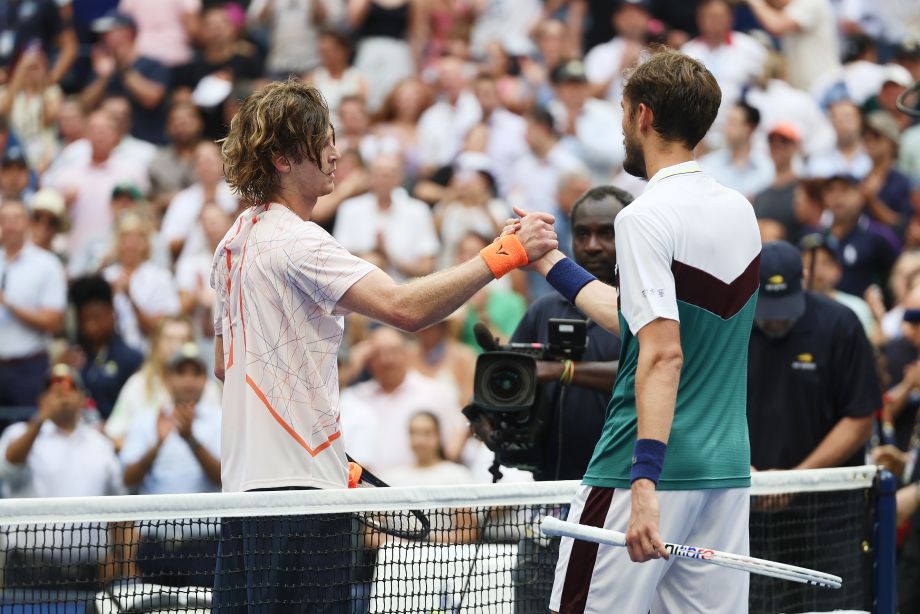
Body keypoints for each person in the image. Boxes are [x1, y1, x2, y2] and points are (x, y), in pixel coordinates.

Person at [209, 79, 555, 611]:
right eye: (321, 140)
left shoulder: (231, 243)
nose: (335, 153)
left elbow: (221, 366)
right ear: (281, 158)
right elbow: (404, 308)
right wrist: (504, 254)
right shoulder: (298, 240)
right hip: (301, 499)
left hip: (244, 496)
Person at [512, 49, 760, 613]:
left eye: (624, 113)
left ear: (642, 116)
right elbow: (639, 316)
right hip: (721, 474)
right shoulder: (738, 210)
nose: (623, 126)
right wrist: (550, 262)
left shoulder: (644, 216)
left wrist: (644, 482)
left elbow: (662, 354)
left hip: (640, 472)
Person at [508, 185, 628, 613]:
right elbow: (512, 385)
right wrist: (494, 423)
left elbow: (648, 373)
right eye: (582, 233)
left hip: (624, 508)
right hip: (551, 510)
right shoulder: (542, 312)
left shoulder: (644, 309)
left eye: (606, 233)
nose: (592, 245)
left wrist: (564, 372)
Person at [747, 240, 879, 612]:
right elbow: (702, 406)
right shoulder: (729, 325)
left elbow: (860, 419)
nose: (775, 319)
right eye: (767, 309)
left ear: (803, 280)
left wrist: (798, 478)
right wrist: (744, 469)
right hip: (747, 509)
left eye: (784, 308)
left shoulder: (840, 324)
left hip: (829, 512)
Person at [0, 364, 122, 498]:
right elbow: (7, 469)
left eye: (71, 387)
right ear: (42, 400)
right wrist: (40, 420)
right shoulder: (17, 432)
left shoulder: (99, 441)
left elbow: (119, 494)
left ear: (82, 399)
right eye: (53, 389)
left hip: (90, 519)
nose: (63, 393)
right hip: (36, 519)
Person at [121, 343, 221, 495]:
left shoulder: (220, 418)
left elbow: (224, 478)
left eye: (196, 373)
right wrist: (158, 445)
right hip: (156, 516)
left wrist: (191, 440)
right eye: (181, 372)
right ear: (167, 379)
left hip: (207, 517)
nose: (189, 380)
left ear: (205, 379)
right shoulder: (146, 419)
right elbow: (128, 479)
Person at [0, 200, 66, 408]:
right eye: (4, 220)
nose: (9, 226)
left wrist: (9, 305)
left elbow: (54, 322)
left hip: (28, 367)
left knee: (28, 431)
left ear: (28, 223)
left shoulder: (47, 264)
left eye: (16, 219)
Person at [83, 11, 170, 145]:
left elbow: (152, 98)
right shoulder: (102, 67)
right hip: (107, 146)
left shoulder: (153, 65)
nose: (104, 37)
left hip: (147, 143)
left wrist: (122, 68)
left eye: (109, 32)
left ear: (128, 33)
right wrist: (103, 79)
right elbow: (85, 105)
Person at [67, 276, 144, 420]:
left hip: (117, 433)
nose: (91, 326)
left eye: (96, 318)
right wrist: (65, 368)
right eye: (85, 320)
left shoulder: (131, 358)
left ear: (112, 315)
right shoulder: (73, 355)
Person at [744, 0, 841, 91]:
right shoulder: (790, 8)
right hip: (807, 89)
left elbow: (776, 25)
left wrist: (756, 3)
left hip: (827, 87)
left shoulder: (810, 2)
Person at [798, 233, 876, 336]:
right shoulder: (793, 309)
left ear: (837, 270)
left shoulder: (856, 308)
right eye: (809, 264)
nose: (817, 270)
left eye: (824, 263)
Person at [699, 101, 775, 199]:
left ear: (749, 128)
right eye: (726, 122)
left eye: (732, 123)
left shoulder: (766, 167)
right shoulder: (708, 163)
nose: (726, 128)